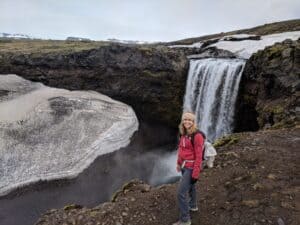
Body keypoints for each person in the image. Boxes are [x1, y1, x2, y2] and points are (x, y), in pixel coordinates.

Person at [173, 112, 204, 225]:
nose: (187, 122)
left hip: (191, 167)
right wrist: (178, 163)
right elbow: (181, 150)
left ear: (193, 122)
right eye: (185, 119)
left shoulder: (197, 136)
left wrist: (195, 173)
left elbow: (199, 156)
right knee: (191, 187)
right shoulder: (183, 133)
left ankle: (185, 220)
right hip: (184, 166)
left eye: (190, 120)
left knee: (181, 193)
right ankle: (193, 205)